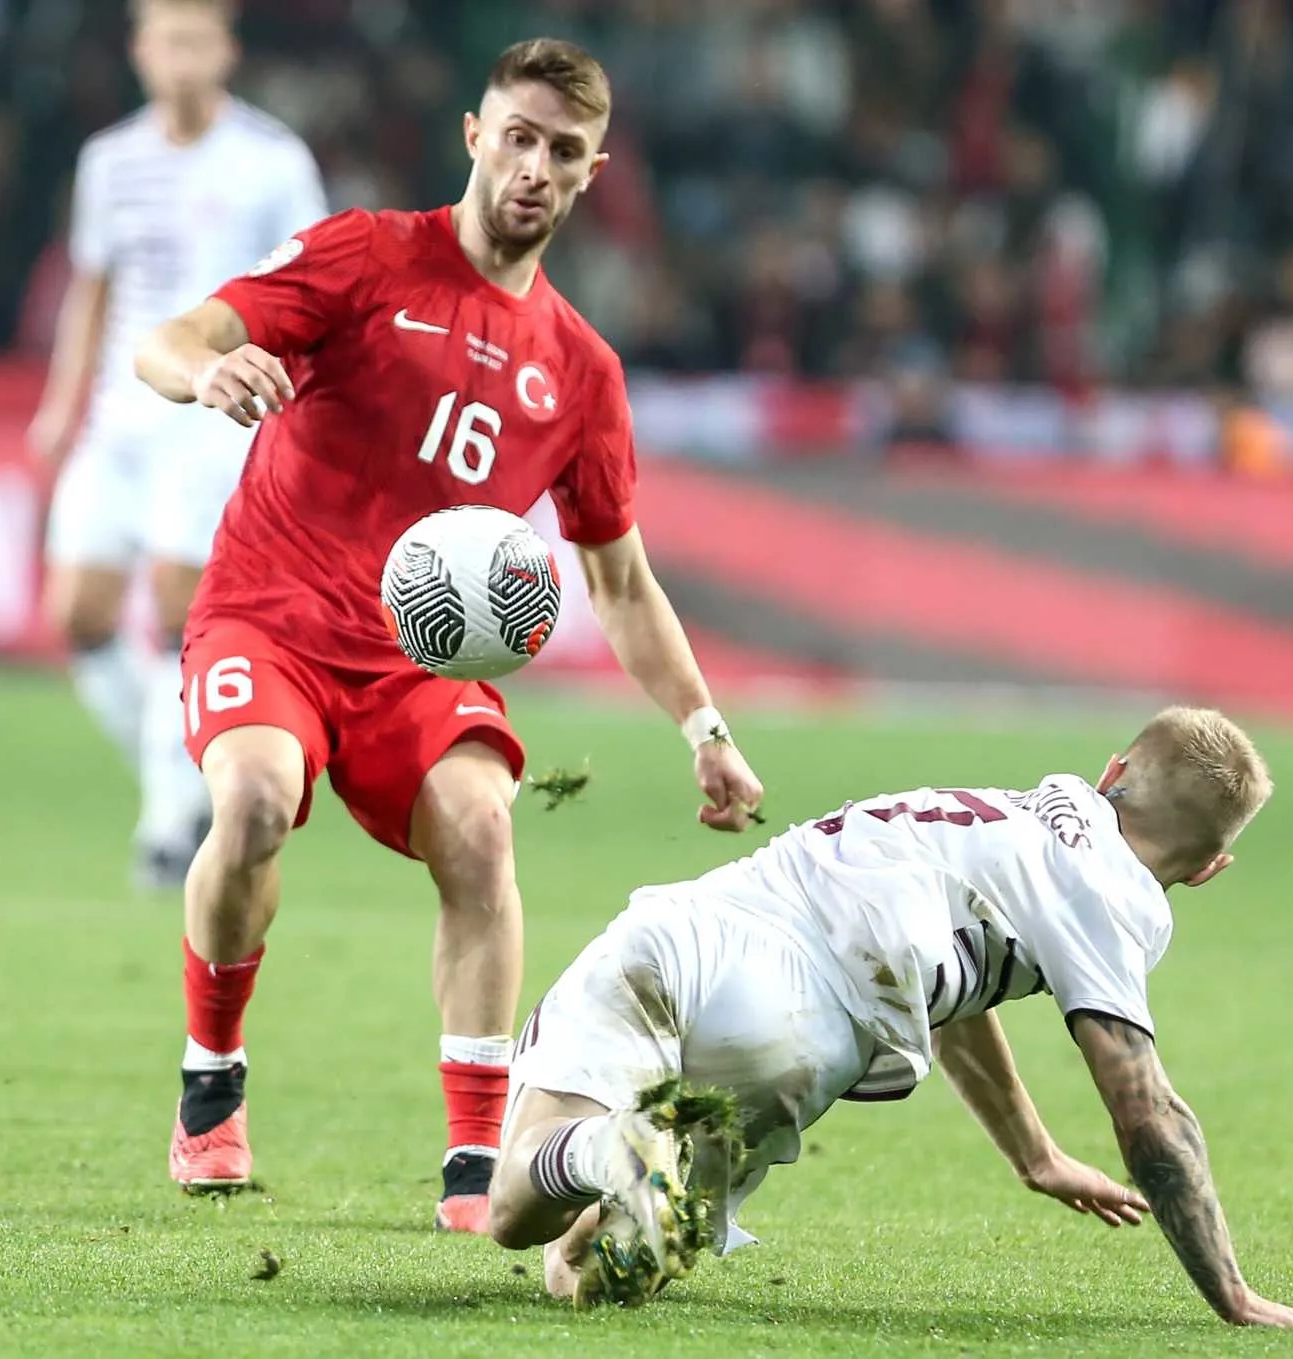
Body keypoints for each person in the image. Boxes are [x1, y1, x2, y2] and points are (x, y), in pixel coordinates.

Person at [132, 38, 764, 1234]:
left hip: (416, 661)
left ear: (591, 174)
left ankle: (478, 1155)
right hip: (270, 613)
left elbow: (620, 582)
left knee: (482, 829)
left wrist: (706, 729)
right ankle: (211, 1077)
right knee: (254, 802)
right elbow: (166, 337)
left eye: (563, 151)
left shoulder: (581, 371)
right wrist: (204, 376)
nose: (535, 167)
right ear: (475, 137)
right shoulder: (366, 255)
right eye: (518, 138)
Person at [490, 708, 1293, 1333]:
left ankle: (606, 1149)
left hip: (696, 930)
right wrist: (1232, 1292)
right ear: (1211, 867)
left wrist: (1035, 1153)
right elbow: (1149, 1112)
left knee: (515, 1212)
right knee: (580, 1273)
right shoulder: (1112, 901)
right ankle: (620, 1158)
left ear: (1112, 773)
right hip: (798, 1036)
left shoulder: (1014, 810)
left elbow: (939, 984)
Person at [29, 0, 327, 888]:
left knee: (176, 611)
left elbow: (312, 286)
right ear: (140, 50)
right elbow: (92, 287)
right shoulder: (109, 160)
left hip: (214, 419)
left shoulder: (272, 160)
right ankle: (184, 786)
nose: (182, 57)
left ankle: (165, 831)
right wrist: (61, 402)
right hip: (118, 420)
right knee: (78, 613)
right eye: (167, 40)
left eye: (198, 40)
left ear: (227, 50)